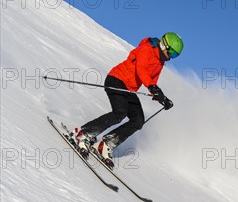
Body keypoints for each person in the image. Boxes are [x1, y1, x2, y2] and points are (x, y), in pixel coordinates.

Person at [70, 32, 184, 167]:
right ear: (165, 46)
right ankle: (83, 134)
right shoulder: (147, 49)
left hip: (129, 89)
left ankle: (105, 144)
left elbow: (152, 82)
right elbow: (141, 70)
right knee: (120, 113)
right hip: (116, 79)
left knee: (138, 120)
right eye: (171, 53)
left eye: (175, 55)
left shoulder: (160, 63)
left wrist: (162, 98)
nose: (171, 57)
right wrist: (153, 88)